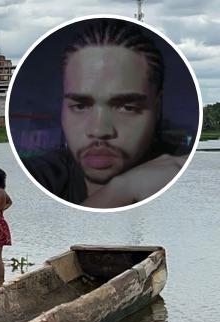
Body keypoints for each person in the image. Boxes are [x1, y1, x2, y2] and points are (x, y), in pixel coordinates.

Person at [21, 18, 189, 208]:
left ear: (157, 108)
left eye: (127, 107)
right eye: (80, 106)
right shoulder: (36, 176)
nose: (99, 130)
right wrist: (122, 189)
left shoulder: (187, 174)